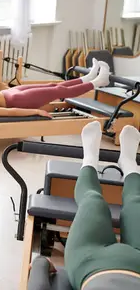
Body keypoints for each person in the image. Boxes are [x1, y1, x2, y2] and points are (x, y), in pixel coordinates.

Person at [32, 121, 140, 290]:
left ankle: (90, 158)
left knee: (92, 200)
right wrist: (40, 264)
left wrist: (41, 263)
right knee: (136, 201)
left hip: (89, 263)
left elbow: (37, 278)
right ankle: (129, 163)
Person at [0, 59, 112, 119]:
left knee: (52, 86)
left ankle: (88, 77)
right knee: (57, 92)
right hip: (17, 100)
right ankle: (98, 82)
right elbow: (8, 112)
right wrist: (36, 111)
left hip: (11, 93)